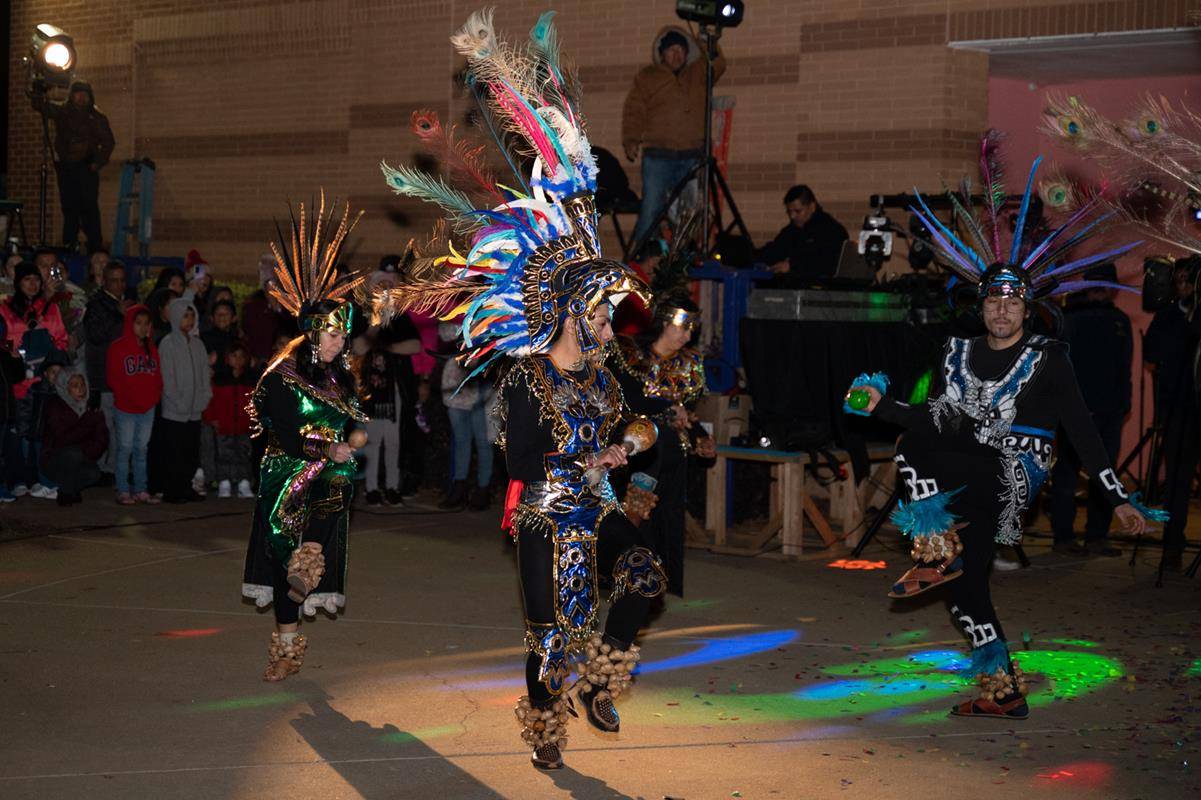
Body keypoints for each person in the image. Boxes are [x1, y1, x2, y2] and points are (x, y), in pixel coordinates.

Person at [375, 11, 666, 770]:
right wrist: (590, 461)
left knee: (641, 575)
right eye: (601, 310)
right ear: (573, 311)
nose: (609, 321)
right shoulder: (527, 380)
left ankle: (600, 674)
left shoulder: (608, 373)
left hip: (594, 504)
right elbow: (524, 463)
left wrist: (628, 442)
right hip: (543, 514)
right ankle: (545, 719)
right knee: (548, 635)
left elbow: (648, 425)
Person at [848, 151, 1153, 721]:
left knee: (932, 436)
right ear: (981, 305)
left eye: (1013, 301)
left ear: (1027, 309)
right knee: (966, 592)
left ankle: (936, 548)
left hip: (1013, 473)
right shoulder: (955, 352)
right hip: (961, 477)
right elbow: (932, 415)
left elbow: (1084, 432)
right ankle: (1004, 690)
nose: (1003, 309)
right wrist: (879, 405)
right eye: (994, 299)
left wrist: (1116, 497)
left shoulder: (1049, 358)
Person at [241, 196, 366, 682]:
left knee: (338, 484)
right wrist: (323, 447)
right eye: (332, 337)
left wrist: (349, 442)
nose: (338, 345)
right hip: (286, 468)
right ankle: (286, 646)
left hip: (329, 470)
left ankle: (309, 558)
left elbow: (356, 427)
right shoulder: (282, 374)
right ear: (313, 334)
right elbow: (283, 432)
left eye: (343, 338)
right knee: (278, 550)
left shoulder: (343, 378)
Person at [609, 296, 715, 596]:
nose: (686, 336)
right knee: (658, 439)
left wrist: (701, 440)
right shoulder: (629, 354)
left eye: (691, 330)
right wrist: (667, 409)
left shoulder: (689, 365)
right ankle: (629, 529)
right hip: (631, 447)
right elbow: (629, 401)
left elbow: (685, 415)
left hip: (669, 454)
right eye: (681, 328)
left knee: (669, 445)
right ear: (664, 323)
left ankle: (659, 582)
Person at [1048, 263, 1132, 557]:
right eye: (1094, 283)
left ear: (1113, 287)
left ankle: (1097, 536)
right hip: (1075, 412)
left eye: (1105, 284)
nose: (1100, 289)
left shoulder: (1121, 320)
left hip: (1110, 412)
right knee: (1066, 477)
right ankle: (1063, 536)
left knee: (1105, 475)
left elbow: (1125, 369)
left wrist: (1124, 405)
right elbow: (1059, 367)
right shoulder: (1069, 318)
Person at [622, 26, 725, 249]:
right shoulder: (648, 76)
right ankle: (642, 259)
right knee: (651, 209)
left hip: (692, 157)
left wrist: (707, 42)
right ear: (662, 53)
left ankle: (683, 262)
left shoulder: (698, 72)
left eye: (681, 50)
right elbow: (634, 109)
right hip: (658, 156)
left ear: (688, 54)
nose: (676, 55)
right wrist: (630, 139)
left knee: (690, 213)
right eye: (671, 50)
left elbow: (718, 65)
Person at [1143, 257, 1200, 571]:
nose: (1184, 286)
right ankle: (1172, 547)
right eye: (1179, 280)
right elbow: (1151, 354)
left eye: (1190, 280)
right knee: (1176, 483)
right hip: (1179, 409)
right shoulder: (1167, 317)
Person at [0, 262, 69, 498]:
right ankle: (18, 478)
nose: (33, 284)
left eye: (36, 279)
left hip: (45, 380)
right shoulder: (7, 308)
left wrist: (55, 364)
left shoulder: (51, 308)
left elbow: (61, 339)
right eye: (27, 279)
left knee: (42, 432)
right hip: (19, 380)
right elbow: (5, 336)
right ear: (18, 282)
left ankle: (41, 478)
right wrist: (13, 354)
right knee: (18, 431)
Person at [357, 271, 420, 507]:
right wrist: (375, 326)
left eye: (388, 286)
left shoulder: (401, 319)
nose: (384, 291)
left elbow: (415, 345)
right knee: (373, 442)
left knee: (393, 442)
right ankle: (372, 488)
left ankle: (392, 486)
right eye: (380, 286)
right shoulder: (364, 318)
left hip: (394, 390)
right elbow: (359, 347)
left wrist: (386, 346)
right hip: (370, 392)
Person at [30, 80, 115, 253]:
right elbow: (42, 106)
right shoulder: (63, 112)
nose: (82, 98)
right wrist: (37, 89)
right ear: (72, 95)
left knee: (89, 207)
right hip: (67, 167)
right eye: (78, 93)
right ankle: (70, 243)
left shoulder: (97, 117)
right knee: (69, 207)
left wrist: (97, 162)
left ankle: (94, 246)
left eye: (85, 94)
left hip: (86, 167)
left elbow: (108, 142)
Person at [106, 304, 162, 504]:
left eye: (146, 324)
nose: (142, 328)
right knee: (125, 448)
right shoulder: (117, 348)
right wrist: (128, 398)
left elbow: (157, 378)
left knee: (141, 449)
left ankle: (140, 488)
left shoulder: (151, 349)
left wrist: (154, 397)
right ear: (130, 324)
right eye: (138, 323)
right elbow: (113, 379)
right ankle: (122, 488)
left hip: (147, 407)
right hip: (126, 408)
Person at [157, 295, 211, 503]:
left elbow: (204, 374)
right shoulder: (168, 344)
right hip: (175, 410)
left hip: (194, 409)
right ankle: (173, 489)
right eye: (184, 316)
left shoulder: (198, 345)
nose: (188, 320)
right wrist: (177, 400)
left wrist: (204, 397)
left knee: (190, 451)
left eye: (191, 316)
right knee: (174, 451)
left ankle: (186, 486)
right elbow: (167, 377)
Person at [84, 260, 131, 478]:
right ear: (104, 281)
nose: (119, 285)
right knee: (108, 427)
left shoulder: (127, 302)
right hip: (104, 377)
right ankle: (105, 469)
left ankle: (113, 468)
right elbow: (95, 336)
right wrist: (118, 315)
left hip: (124, 377)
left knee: (121, 428)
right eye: (114, 281)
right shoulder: (97, 305)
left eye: (122, 281)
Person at [439, 333, 495, 511]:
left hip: (482, 392)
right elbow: (444, 330)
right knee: (462, 442)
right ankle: (459, 487)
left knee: (483, 442)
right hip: (456, 391)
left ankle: (483, 490)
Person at [754, 185, 849, 286]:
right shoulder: (792, 230)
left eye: (798, 211)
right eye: (789, 212)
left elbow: (828, 263)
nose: (792, 216)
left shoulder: (832, 230)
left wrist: (792, 266)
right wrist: (755, 259)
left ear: (812, 207)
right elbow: (776, 250)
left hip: (822, 288)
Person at [41, 369, 108, 505]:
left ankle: (70, 488)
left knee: (94, 474)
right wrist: (86, 422)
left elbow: (101, 442)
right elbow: (62, 440)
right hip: (54, 461)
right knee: (72, 454)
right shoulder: (55, 407)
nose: (81, 390)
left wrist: (83, 451)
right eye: (75, 386)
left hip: (80, 458)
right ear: (65, 387)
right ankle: (66, 493)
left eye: (82, 385)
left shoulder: (92, 410)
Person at [203, 342, 257, 499]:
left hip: (243, 424)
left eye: (241, 356)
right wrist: (211, 418)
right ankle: (224, 481)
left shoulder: (250, 378)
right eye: (234, 356)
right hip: (224, 424)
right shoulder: (220, 378)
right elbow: (211, 401)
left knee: (244, 454)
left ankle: (244, 482)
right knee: (224, 454)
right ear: (227, 358)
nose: (238, 360)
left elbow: (255, 403)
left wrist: (254, 419)